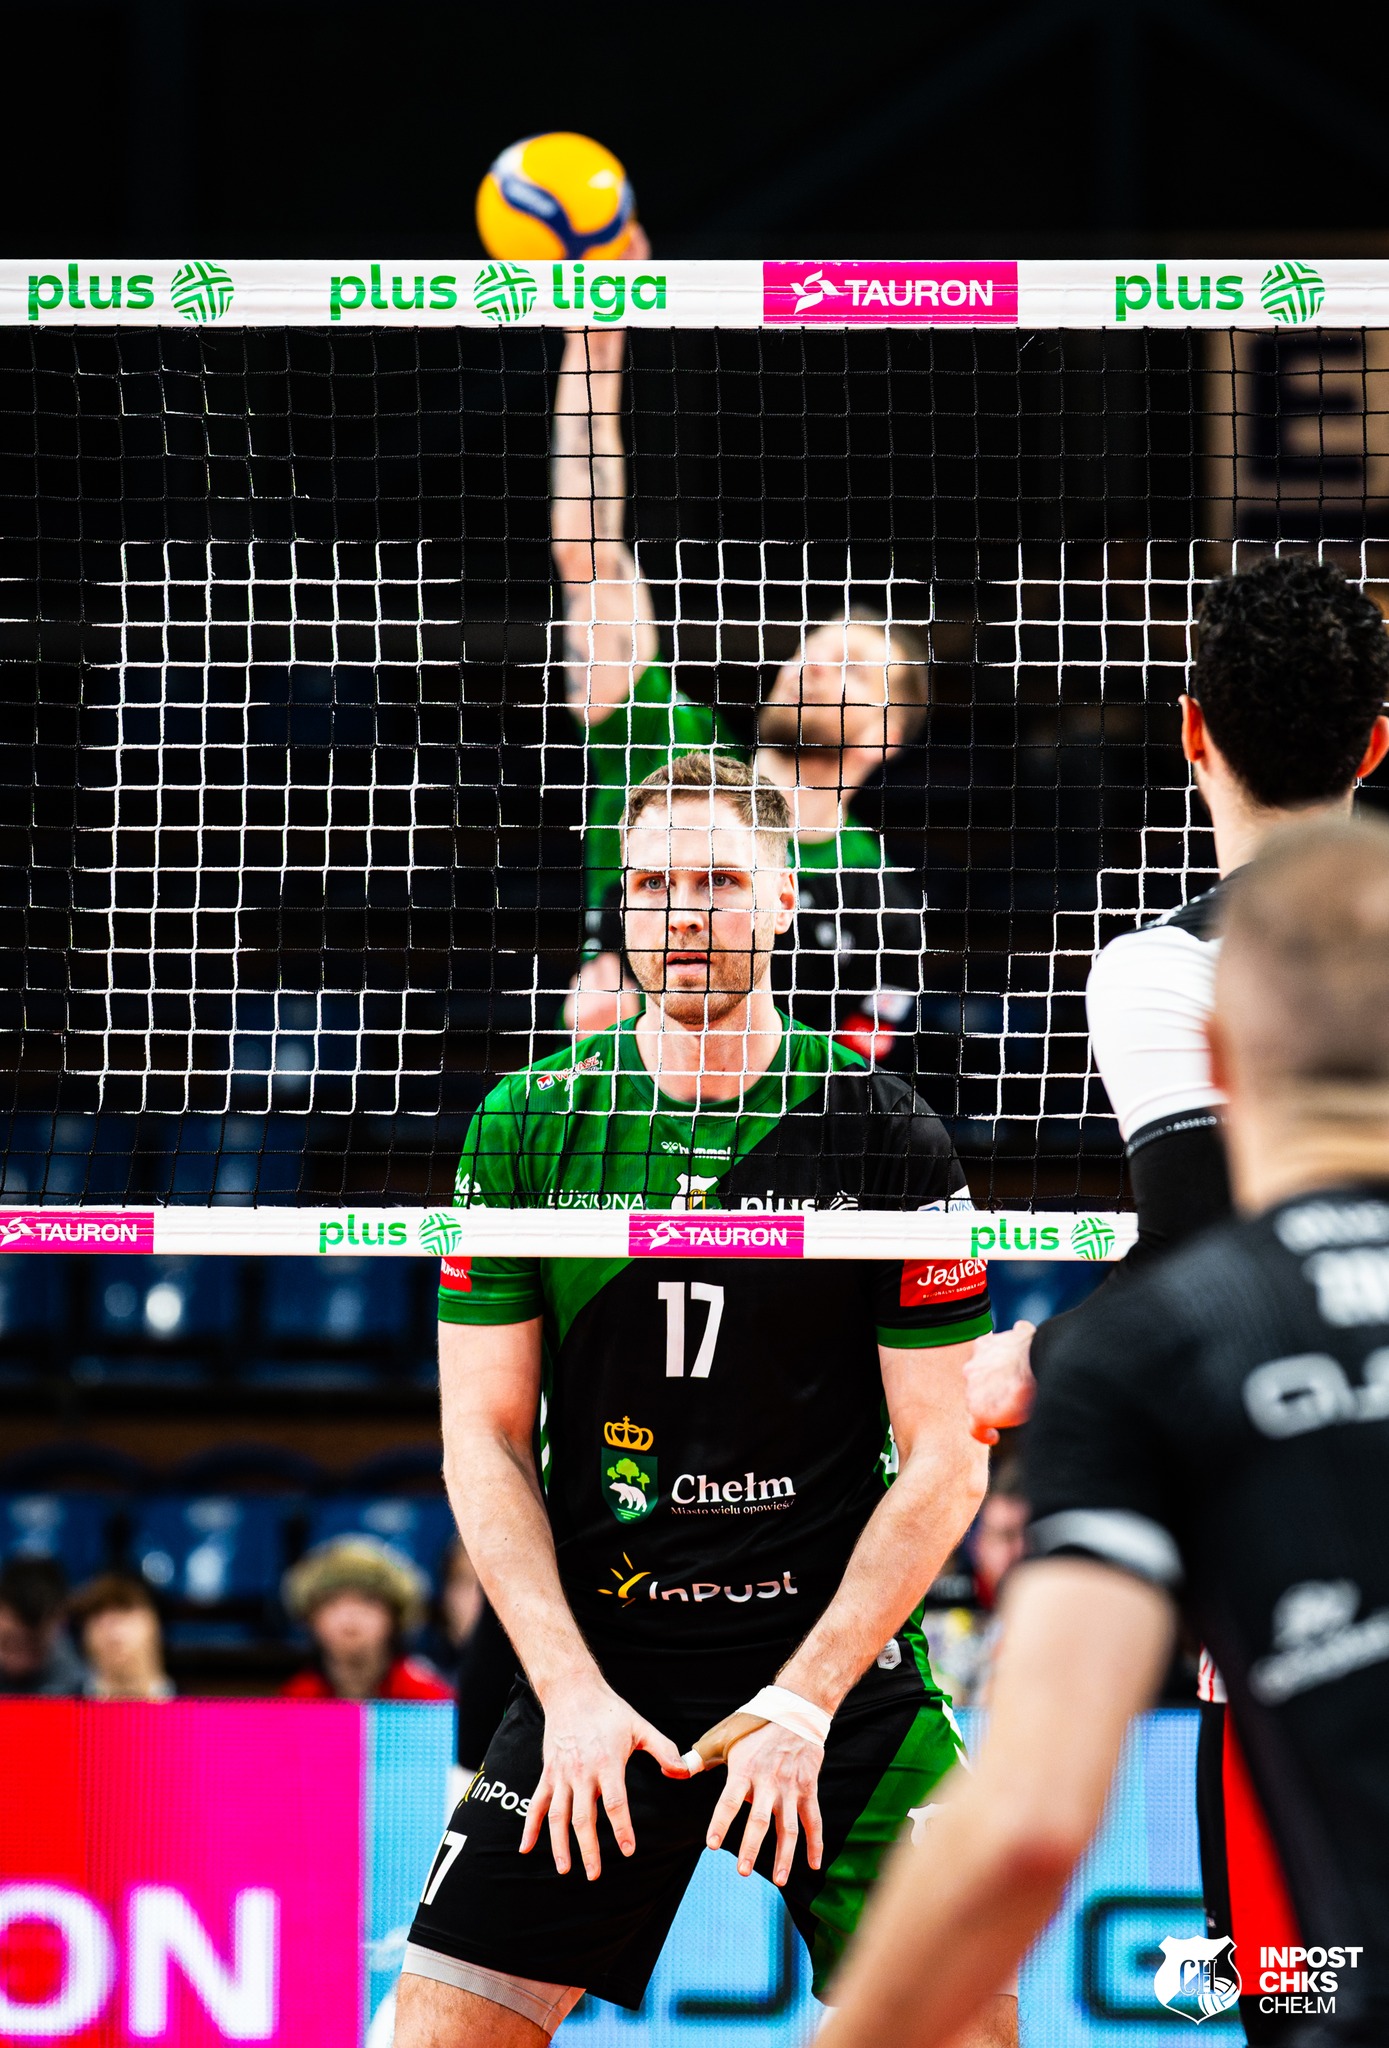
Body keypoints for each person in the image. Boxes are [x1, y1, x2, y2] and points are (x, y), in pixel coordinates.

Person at [395, 751, 1012, 2046]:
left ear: (785, 899)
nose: (683, 913)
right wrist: (564, 1689)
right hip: (602, 1660)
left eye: (720, 881)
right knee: (436, 2031)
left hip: (835, 1661)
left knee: (963, 2021)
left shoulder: (885, 1131)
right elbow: (483, 1439)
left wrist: (804, 1699)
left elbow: (948, 1454)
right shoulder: (526, 1124)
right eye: (653, 885)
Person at [821, 814, 1389, 2048]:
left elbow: (1028, 1821)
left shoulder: (1170, 1343)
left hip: (1334, 1923)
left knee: (1285, 1991)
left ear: (1218, 1059)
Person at [964, 555, 1389, 2040]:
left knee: (1302, 1989)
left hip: (1299, 1541)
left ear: (1191, 728)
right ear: (1377, 741)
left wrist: (1042, 1355)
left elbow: (1210, 1253)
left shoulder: (1169, 969)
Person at [551, 300, 928, 1066]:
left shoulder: (878, 891)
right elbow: (589, 555)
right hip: (617, 1109)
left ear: (887, 735)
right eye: (810, 653)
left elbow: (861, 1070)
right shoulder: (668, 747)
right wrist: (594, 339)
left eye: (852, 670)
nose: (813, 667)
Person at [281, 1536, 453, 1702]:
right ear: (310, 1617)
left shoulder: (430, 1702)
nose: (350, 1621)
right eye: (333, 1603)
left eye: (367, 1602)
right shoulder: (294, 1701)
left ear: (395, 1617)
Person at [920, 1466, 1028, 1710]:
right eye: (1004, 1536)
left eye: (1028, 1535)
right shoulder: (933, 1617)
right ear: (978, 1545)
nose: (1017, 1552)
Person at [69, 1573, 174, 1700]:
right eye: (97, 1614)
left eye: (124, 1609)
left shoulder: (193, 1707)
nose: (110, 1625)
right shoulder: (61, 1706)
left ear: (154, 1622)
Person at [0, 1556, 83, 1696]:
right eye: (10, 1642)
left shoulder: (79, 1687)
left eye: (32, 1643)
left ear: (61, 1619)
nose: (20, 1657)